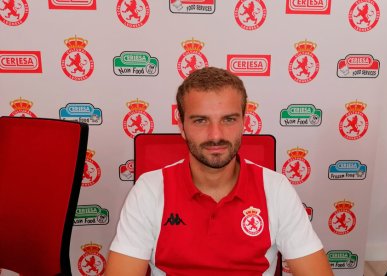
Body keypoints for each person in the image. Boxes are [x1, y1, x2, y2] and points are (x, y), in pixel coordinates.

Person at [106, 67, 333, 276]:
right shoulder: (149, 190)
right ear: (181, 127)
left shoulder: (276, 188)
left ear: (244, 122)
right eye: (200, 120)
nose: (215, 135)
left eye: (229, 119)